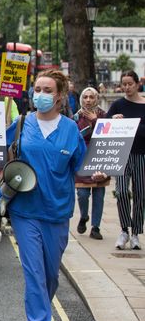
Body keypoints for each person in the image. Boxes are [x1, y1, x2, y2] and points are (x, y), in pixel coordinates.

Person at [1, 69, 99, 321]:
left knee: (50, 275)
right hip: (25, 210)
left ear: (59, 96)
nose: (40, 94)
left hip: (57, 211)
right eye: (37, 89)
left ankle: (39, 313)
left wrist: (98, 172)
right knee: (34, 273)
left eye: (47, 90)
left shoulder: (70, 129)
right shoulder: (21, 123)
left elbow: (80, 167)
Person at [107, 70, 145, 250]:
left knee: (140, 194)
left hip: (141, 154)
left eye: (130, 83)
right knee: (121, 191)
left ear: (137, 84)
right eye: (124, 84)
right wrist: (113, 120)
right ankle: (124, 229)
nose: (127, 87)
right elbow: (105, 126)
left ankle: (136, 232)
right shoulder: (117, 105)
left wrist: (131, 127)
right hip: (121, 154)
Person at [74, 87, 108, 240]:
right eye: (85, 97)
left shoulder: (103, 115)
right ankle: (84, 216)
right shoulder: (76, 117)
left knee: (99, 195)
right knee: (82, 194)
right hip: (82, 159)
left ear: (96, 99)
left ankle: (96, 227)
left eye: (91, 97)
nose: (88, 100)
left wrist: (95, 120)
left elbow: (107, 136)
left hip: (99, 158)